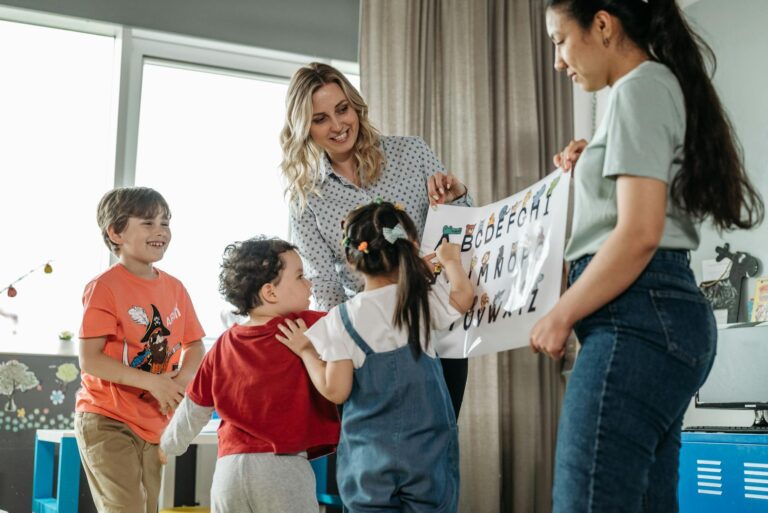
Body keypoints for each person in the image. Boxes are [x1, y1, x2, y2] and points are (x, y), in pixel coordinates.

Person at [529, 1, 765, 512]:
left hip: (637, 316)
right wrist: (594, 157)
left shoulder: (640, 86)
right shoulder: (647, 89)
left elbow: (638, 234)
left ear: (603, 24)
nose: (558, 61)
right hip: (654, 315)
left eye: (558, 41)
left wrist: (561, 313)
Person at [280, 62, 472, 417]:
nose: (338, 126)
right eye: (320, 118)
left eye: (342, 109)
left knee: (437, 445)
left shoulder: (411, 153)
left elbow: (460, 231)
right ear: (304, 127)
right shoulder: (306, 198)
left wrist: (457, 197)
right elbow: (324, 285)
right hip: (369, 344)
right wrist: (346, 341)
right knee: (377, 451)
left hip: (437, 327)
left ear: (356, 106)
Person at [277, 201, 474, 513]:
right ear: (409, 249)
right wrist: (451, 261)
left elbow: (335, 390)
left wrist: (305, 351)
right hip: (428, 455)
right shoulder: (417, 300)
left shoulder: (341, 318)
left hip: (368, 463)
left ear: (352, 260)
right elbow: (464, 297)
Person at [158, 236, 339, 513]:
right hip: (283, 468)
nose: (310, 283)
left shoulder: (222, 344)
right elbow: (360, 322)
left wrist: (169, 445)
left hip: (228, 471)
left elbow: (193, 407)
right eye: (301, 276)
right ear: (270, 293)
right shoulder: (306, 325)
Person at [75, 186, 206, 513]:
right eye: (148, 223)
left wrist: (182, 378)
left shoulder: (176, 288)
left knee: (147, 508)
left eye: (166, 222)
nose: (161, 230)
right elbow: (90, 360)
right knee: (127, 508)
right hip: (107, 418)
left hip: (154, 421)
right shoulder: (104, 287)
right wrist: (153, 382)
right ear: (116, 232)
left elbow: (195, 344)